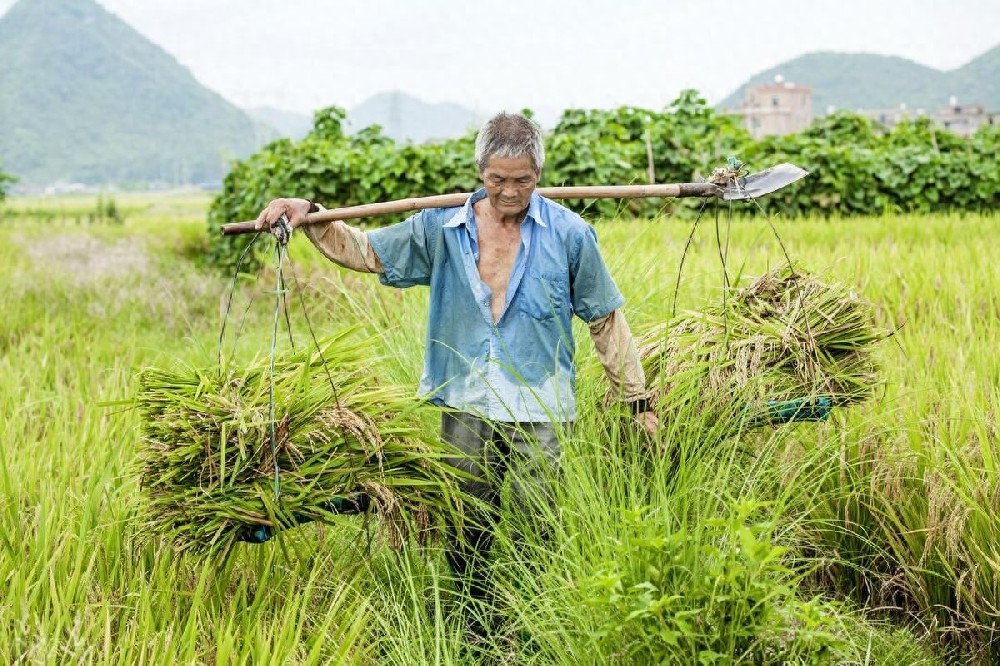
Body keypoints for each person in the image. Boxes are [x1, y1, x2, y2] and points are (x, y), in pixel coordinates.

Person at [255, 111, 659, 636]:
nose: (510, 192)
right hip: (466, 401)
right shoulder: (440, 227)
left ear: (538, 174)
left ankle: (536, 627)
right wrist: (309, 214)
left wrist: (637, 402)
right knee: (468, 523)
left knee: (540, 522)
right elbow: (366, 251)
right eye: (498, 180)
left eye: (522, 180)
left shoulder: (570, 234)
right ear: (481, 173)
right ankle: (474, 627)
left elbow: (605, 319)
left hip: (541, 408)